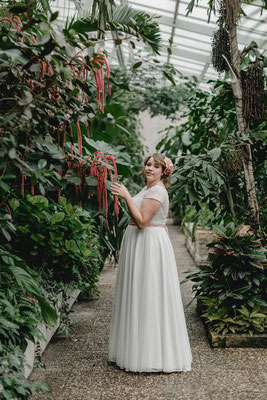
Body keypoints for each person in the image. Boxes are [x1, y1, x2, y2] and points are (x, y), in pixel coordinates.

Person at [108, 152, 192, 373]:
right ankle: (134, 350)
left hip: (149, 245)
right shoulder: (147, 189)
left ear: (164, 171)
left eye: (155, 166)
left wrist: (126, 195)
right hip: (138, 243)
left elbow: (143, 221)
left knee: (148, 294)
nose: (150, 169)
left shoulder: (157, 190)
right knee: (137, 293)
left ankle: (150, 356)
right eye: (147, 164)